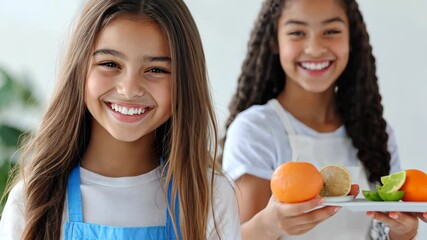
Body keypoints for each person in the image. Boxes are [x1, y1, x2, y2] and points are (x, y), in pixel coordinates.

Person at [0, 0, 240, 239]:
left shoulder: (210, 197)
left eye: (156, 69)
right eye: (110, 64)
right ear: (79, 70)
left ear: (185, 81)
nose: (129, 89)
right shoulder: (32, 202)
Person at [221, 0, 426, 239]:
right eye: (297, 32)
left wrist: (405, 231)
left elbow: (386, 230)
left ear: (352, 40)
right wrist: (271, 224)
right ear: (274, 41)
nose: (315, 48)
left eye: (331, 31)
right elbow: (236, 234)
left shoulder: (377, 131)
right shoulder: (255, 130)